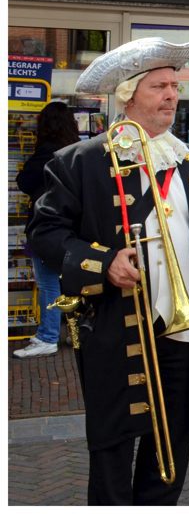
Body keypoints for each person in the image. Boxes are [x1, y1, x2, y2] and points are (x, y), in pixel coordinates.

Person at [27, 37, 189, 505]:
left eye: (175, 85)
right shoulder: (82, 161)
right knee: (113, 444)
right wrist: (103, 262)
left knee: (172, 441)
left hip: (182, 331)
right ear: (129, 95)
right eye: (160, 86)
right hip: (117, 328)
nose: (172, 95)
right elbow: (45, 233)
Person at [13, 102, 80, 358]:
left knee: (48, 283)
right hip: (71, 226)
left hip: (47, 226)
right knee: (70, 283)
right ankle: (75, 334)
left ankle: (47, 336)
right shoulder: (75, 149)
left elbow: (24, 181)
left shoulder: (46, 153)